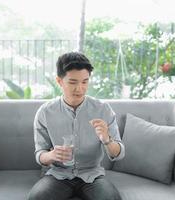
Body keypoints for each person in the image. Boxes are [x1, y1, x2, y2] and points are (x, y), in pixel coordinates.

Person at [28, 52, 125, 200]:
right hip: (58, 175)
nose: (80, 89)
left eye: (85, 82)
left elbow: (119, 153)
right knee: (36, 198)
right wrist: (51, 156)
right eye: (73, 82)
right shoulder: (45, 112)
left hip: (92, 175)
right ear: (59, 81)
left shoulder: (103, 110)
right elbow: (39, 154)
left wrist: (107, 139)